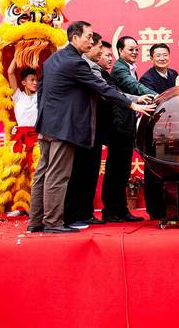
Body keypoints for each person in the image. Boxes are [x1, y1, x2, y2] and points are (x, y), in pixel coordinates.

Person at [28, 21, 155, 234]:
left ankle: (36, 221)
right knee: (58, 175)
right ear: (75, 37)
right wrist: (132, 104)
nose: (91, 40)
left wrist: (45, 116)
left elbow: (41, 90)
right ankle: (52, 223)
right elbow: (102, 88)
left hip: (48, 125)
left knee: (43, 173)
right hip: (63, 128)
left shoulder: (52, 59)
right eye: (88, 36)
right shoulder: (76, 62)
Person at [105, 36, 157, 223]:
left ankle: (119, 209)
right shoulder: (120, 69)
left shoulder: (128, 67)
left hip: (126, 125)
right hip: (119, 126)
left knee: (122, 170)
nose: (135, 52)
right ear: (120, 51)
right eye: (131, 49)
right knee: (116, 170)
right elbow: (134, 87)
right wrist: (159, 96)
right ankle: (113, 210)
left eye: (136, 49)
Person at [63, 33, 110, 228]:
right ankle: (74, 215)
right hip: (82, 128)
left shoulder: (92, 66)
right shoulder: (84, 66)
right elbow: (106, 92)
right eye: (98, 46)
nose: (100, 50)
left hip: (91, 128)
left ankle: (84, 212)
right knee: (80, 173)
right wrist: (132, 102)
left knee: (89, 172)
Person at [137, 43, 177, 220]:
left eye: (165, 54)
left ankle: (172, 207)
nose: (162, 58)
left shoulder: (174, 75)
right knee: (154, 170)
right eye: (158, 55)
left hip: (174, 129)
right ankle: (155, 211)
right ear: (151, 58)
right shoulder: (147, 78)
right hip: (156, 130)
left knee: (172, 168)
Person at [4, 56, 40, 218]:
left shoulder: (41, 96)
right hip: (20, 139)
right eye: (32, 80)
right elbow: (10, 72)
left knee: (37, 173)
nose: (35, 83)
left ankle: (38, 207)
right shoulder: (18, 95)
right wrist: (17, 55)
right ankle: (20, 205)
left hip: (37, 138)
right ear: (23, 82)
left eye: (36, 80)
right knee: (19, 174)